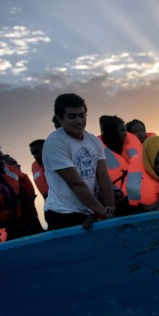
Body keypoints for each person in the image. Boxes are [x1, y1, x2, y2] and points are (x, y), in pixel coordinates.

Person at [43, 93, 115, 231]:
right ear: (60, 118)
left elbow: (103, 176)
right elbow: (76, 184)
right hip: (63, 213)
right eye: (72, 116)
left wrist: (110, 209)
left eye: (82, 115)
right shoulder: (55, 143)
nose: (79, 121)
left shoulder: (93, 141)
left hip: (90, 210)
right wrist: (104, 214)